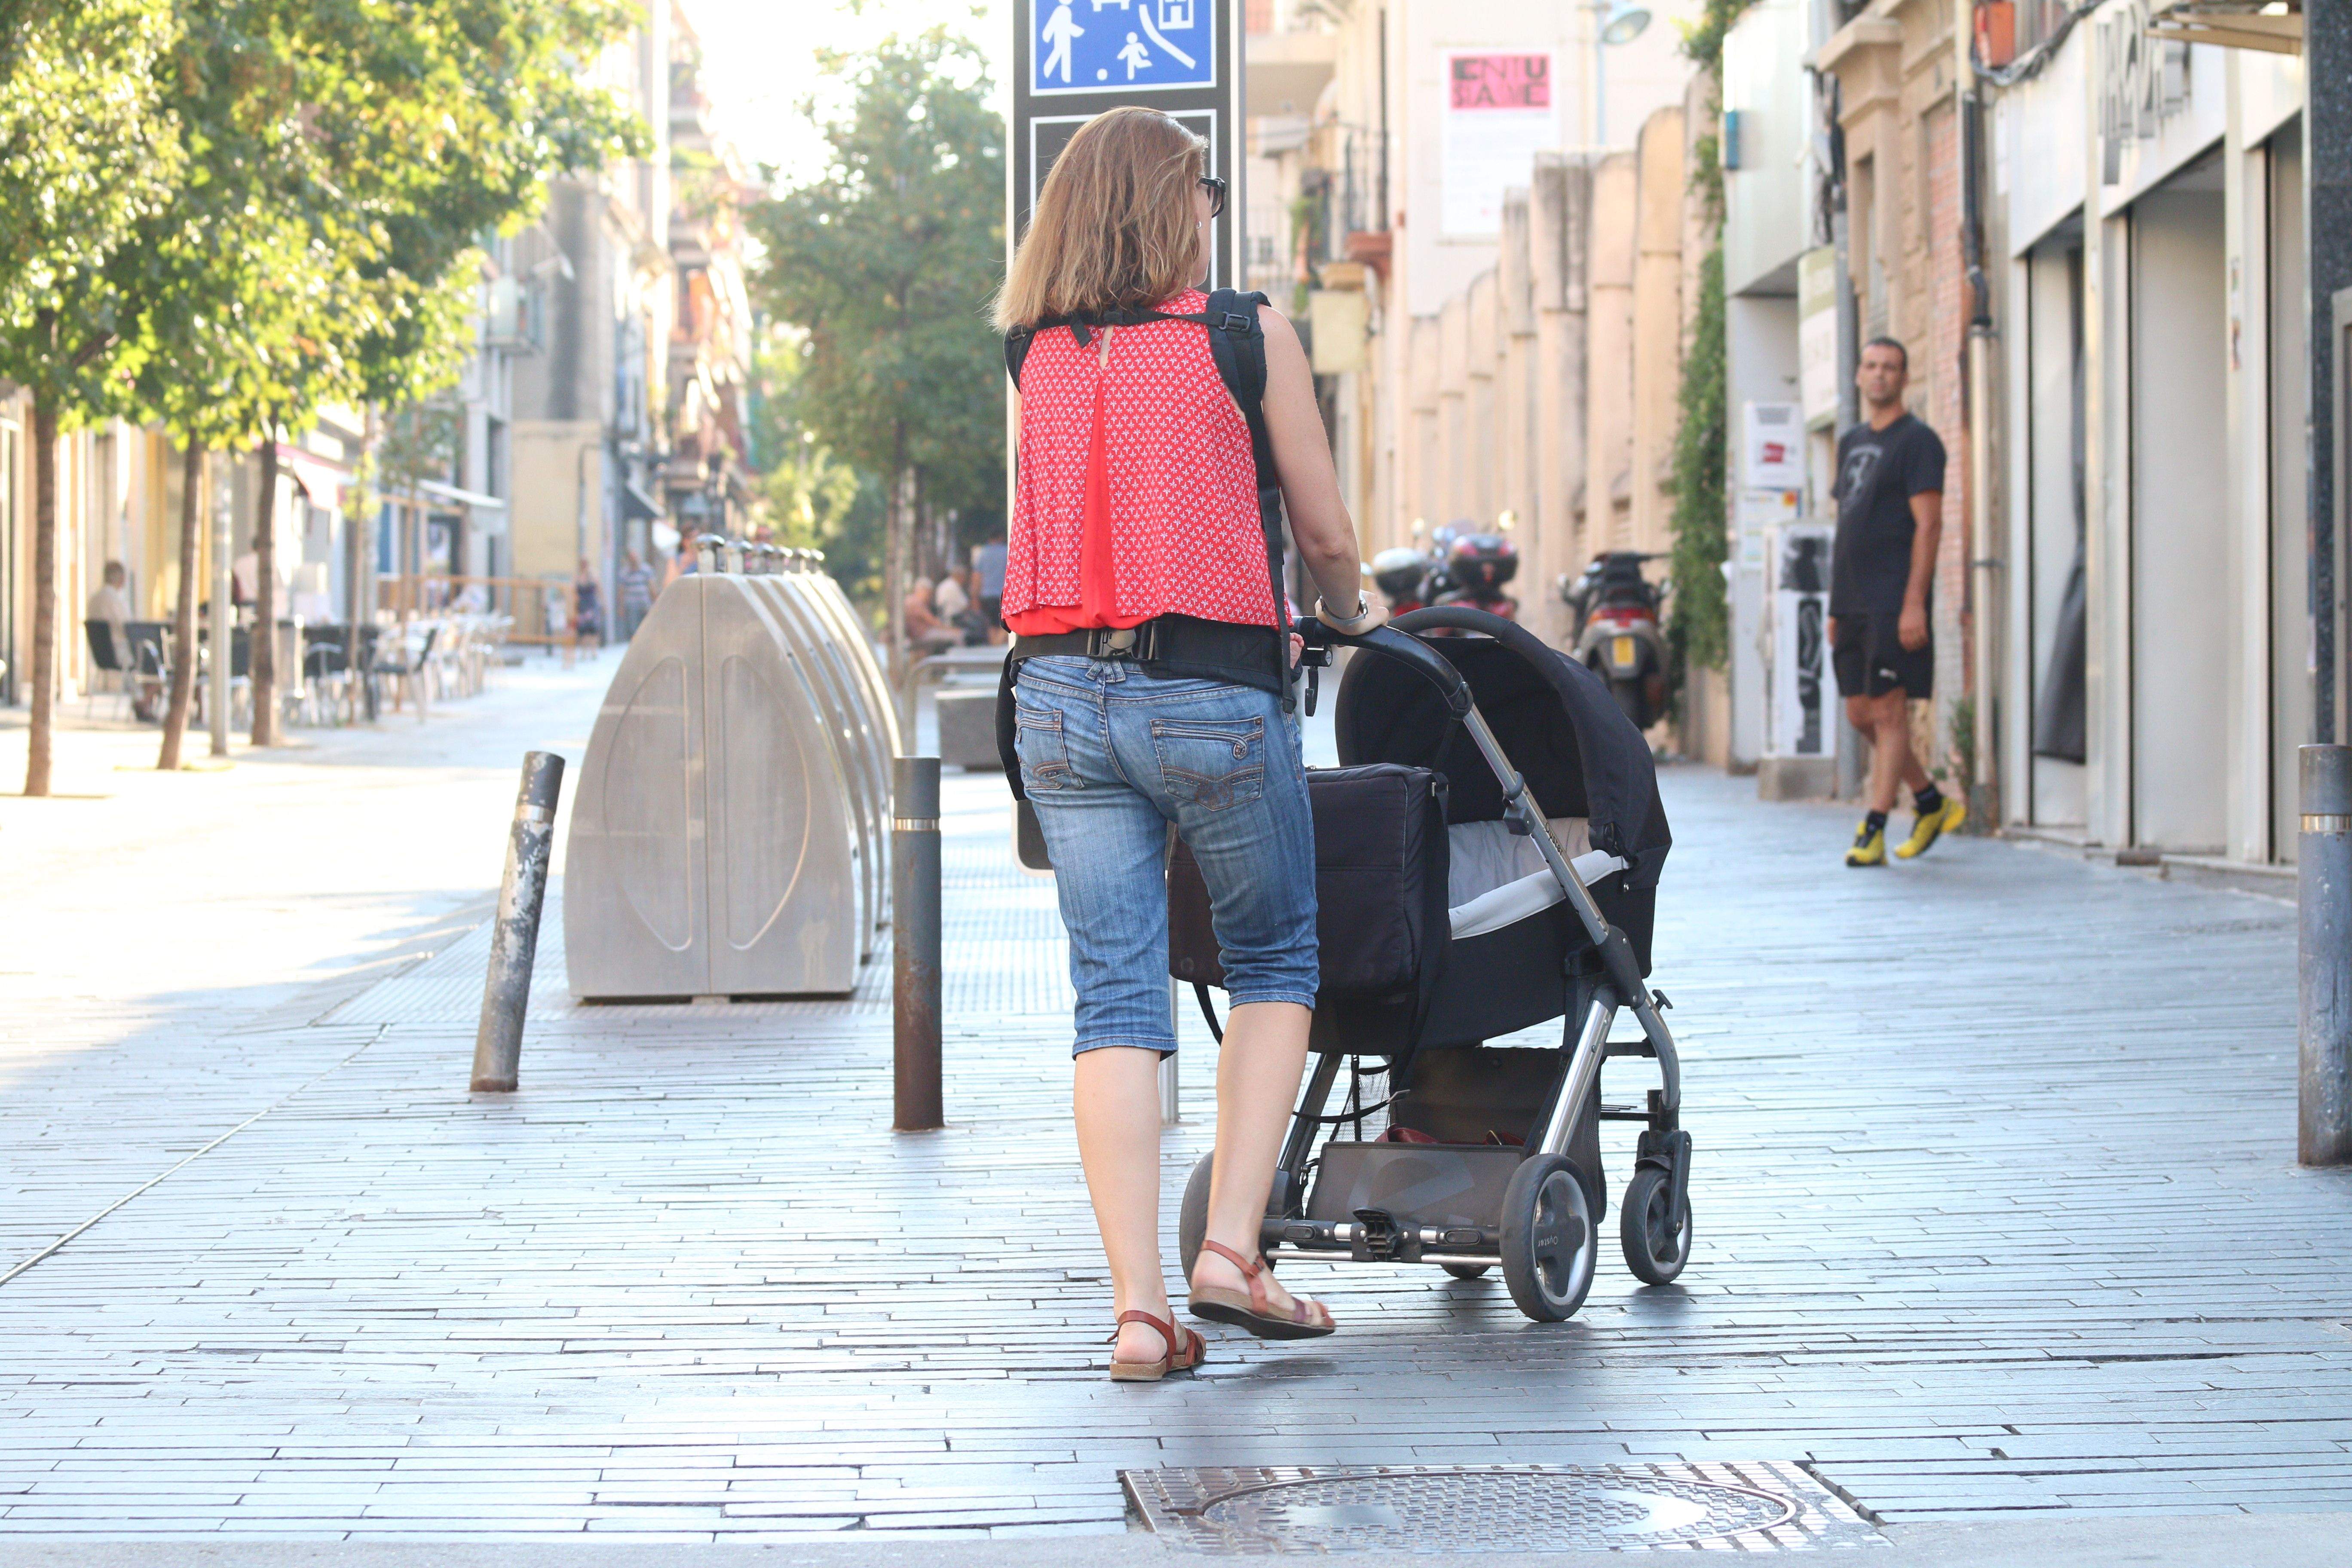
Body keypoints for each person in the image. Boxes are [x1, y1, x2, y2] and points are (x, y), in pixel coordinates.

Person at [991, 106, 1384, 1381]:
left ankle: (1138, 1313)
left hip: (1057, 694)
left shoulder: (1032, 348)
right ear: (1176, 203)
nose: (1212, 209)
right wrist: (1354, 612)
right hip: (1210, 690)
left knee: (1113, 995)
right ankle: (1230, 1252)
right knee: (1272, 954)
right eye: (1202, 191)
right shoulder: (1241, 330)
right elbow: (1323, 536)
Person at [1829, 337, 1966, 866]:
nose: (1880, 374)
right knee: (1860, 713)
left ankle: (1874, 829)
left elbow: (1929, 525)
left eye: (1890, 367)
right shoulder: (1851, 442)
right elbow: (1847, 524)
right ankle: (1930, 801)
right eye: (1871, 366)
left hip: (1892, 597)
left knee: (1888, 713)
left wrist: (1914, 603)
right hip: (1852, 599)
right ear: (1859, 375)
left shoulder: (1919, 442)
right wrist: (1836, 605)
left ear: (1905, 378)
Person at [87, 561, 154, 720]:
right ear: (121, 579)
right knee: (155, 665)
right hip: (120, 653)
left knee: (149, 662)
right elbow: (128, 627)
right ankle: (143, 704)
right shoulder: (114, 599)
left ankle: (141, 702)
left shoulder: (94, 599)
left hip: (101, 655)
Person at [902, 576, 957, 654]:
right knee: (956, 636)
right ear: (923, 590)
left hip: (919, 635)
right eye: (929, 593)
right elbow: (933, 622)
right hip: (921, 636)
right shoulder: (915, 603)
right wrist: (952, 630)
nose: (929, 597)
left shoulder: (910, 600)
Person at [974, 530, 1007, 642]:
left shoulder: (983, 554)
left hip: (987, 595)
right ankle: (1000, 645)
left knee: (991, 624)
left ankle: (993, 645)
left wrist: (975, 595)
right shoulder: (1006, 552)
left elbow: (977, 576)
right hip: (1003, 594)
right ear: (1001, 537)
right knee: (1005, 623)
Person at [616, 549, 655, 640]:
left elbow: (652, 587)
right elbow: (621, 591)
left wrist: (655, 602)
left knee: (647, 627)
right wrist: (621, 607)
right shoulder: (625, 573)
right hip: (632, 605)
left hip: (645, 604)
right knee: (634, 629)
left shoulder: (646, 570)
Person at [572, 559, 603, 645]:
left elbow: (600, 590)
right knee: (583, 629)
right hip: (582, 606)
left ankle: (594, 649)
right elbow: (573, 591)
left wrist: (603, 603)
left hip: (592, 605)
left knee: (594, 629)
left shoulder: (593, 575)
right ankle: (585, 650)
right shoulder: (577, 577)